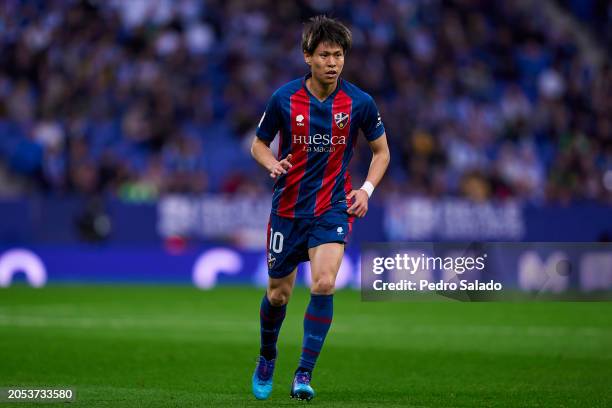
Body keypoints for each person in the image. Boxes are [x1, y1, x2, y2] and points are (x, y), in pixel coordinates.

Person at [250, 15, 390, 401]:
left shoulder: (360, 103)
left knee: (325, 283)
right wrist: (270, 163)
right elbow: (259, 144)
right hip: (288, 210)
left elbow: (382, 152)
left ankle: (303, 373)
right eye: (325, 55)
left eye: (339, 55)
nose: (333, 62)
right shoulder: (284, 98)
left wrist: (366, 190)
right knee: (278, 295)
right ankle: (267, 355)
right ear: (307, 57)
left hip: (332, 207)